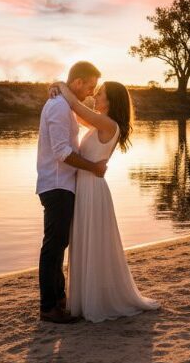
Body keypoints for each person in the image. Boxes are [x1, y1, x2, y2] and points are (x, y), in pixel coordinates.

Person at [50, 79, 160, 323]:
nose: (95, 97)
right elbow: (75, 113)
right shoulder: (101, 123)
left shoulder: (108, 123)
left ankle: (96, 301)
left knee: (93, 242)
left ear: (111, 101)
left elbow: (77, 108)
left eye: (100, 95)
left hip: (92, 189)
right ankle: (86, 297)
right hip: (86, 186)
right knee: (86, 241)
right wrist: (57, 92)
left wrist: (59, 84)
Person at [35, 61, 107, 324]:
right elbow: (62, 152)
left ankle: (59, 300)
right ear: (77, 82)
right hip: (56, 184)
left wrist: (57, 86)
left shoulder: (64, 105)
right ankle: (48, 307)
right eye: (89, 86)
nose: (90, 93)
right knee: (53, 246)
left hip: (63, 184)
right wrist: (94, 167)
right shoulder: (57, 106)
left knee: (59, 243)